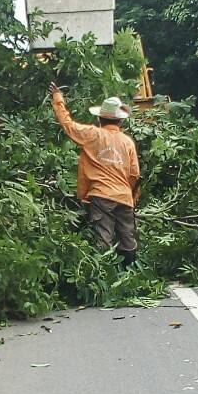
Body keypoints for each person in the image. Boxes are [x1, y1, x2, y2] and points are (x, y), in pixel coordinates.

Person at [49, 83, 141, 266]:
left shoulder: (92, 134)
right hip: (124, 197)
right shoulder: (127, 142)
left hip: (101, 195)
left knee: (103, 240)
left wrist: (58, 98)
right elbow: (134, 174)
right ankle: (130, 273)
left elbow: (68, 125)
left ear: (99, 118)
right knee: (128, 241)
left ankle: (104, 274)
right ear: (120, 121)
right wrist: (129, 196)